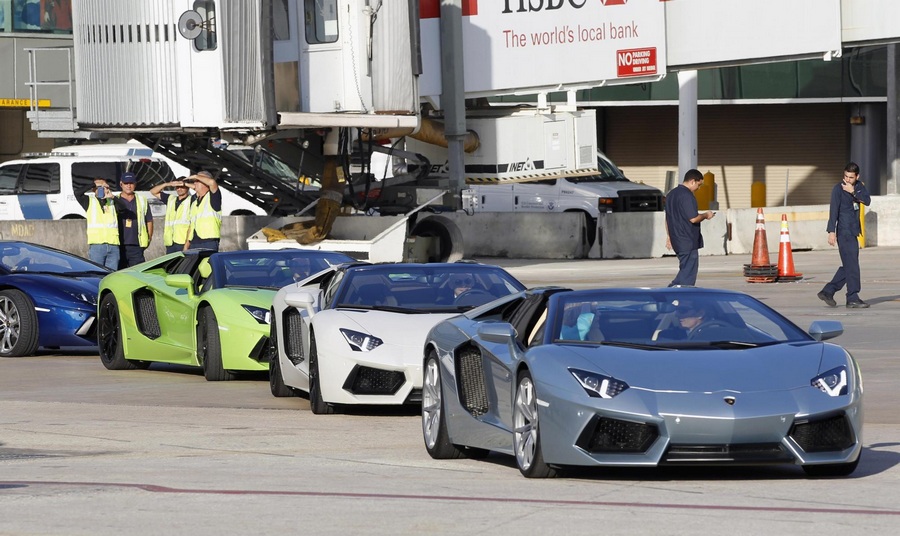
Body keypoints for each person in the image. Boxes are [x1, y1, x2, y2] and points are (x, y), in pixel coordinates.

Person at [818, 162, 872, 309]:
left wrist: (853, 191)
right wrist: (831, 232)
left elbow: (867, 200)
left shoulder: (859, 187)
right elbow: (833, 211)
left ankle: (828, 291)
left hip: (853, 231)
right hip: (843, 232)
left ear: (857, 176)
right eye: (846, 176)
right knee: (852, 265)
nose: (847, 180)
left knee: (849, 265)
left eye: (851, 177)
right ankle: (852, 297)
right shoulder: (837, 189)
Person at [665, 169, 715, 287]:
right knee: (688, 275)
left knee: (685, 270)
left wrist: (669, 236)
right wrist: (706, 215)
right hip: (687, 240)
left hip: (677, 239)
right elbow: (693, 218)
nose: (699, 188)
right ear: (692, 181)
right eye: (699, 184)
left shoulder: (671, 194)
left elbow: (667, 218)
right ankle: (672, 293)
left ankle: (673, 293)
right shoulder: (687, 195)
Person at [113, 171, 153, 268]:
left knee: (137, 273)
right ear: (121, 184)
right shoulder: (114, 200)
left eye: (131, 183)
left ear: (135, 184)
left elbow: (149, 220)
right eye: (126, 183)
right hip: (118, 244)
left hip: (136, 245)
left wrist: (149, 238)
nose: (129, 186)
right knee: (120, 274)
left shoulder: (142, 200)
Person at [151, 176, 192, 254]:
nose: (179, 189)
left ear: (187, 187)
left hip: (183, 242)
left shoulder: (192, 200)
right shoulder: (170, 199)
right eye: (177, 187)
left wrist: (187, 244)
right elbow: (153, 191)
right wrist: (167, 184)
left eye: (182, 187)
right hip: (170, 242)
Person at [85, 177, 120, 270]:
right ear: (93, 189)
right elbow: (77, 192)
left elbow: (124, 208)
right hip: (97, 246)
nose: (101, 189)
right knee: (96, 274)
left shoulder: (112, 201)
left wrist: (112, 197)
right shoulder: (89, 201)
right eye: (98, 187)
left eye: (103, 187)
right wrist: (95, 185)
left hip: (113, 245)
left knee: (112, 275)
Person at [184, 171, 222, 252]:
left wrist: (196, 176)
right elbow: (192, 226)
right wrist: (186, 245)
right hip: (193, 242)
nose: (195, 182)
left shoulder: (212, 197)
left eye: (198, 180)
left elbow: (212, 182)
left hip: (208, 241)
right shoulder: (194, 203)